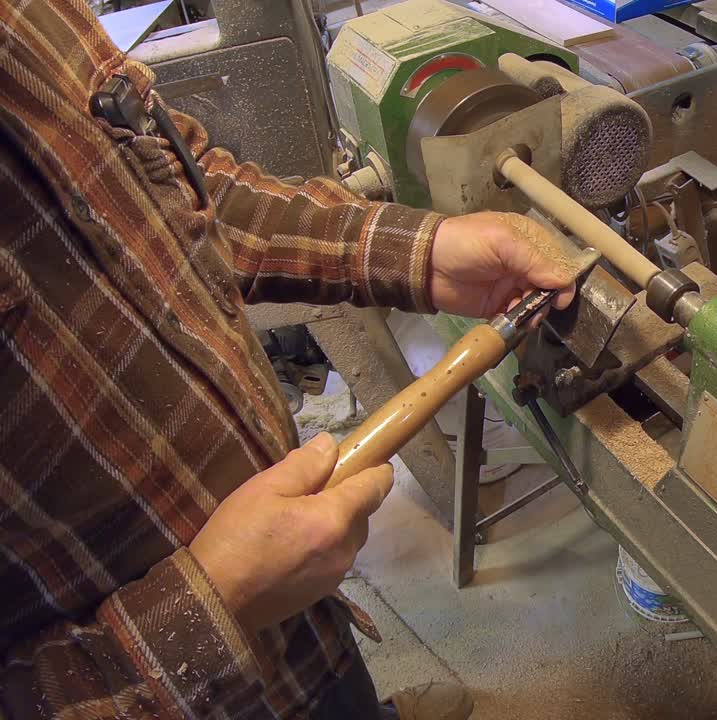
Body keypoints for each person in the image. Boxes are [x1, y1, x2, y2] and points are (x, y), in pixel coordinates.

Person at [0, 2, 575, 718]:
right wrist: (211, 608)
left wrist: (417, 252)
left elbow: (176, 188)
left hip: (301, 635)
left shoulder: (28, 16)